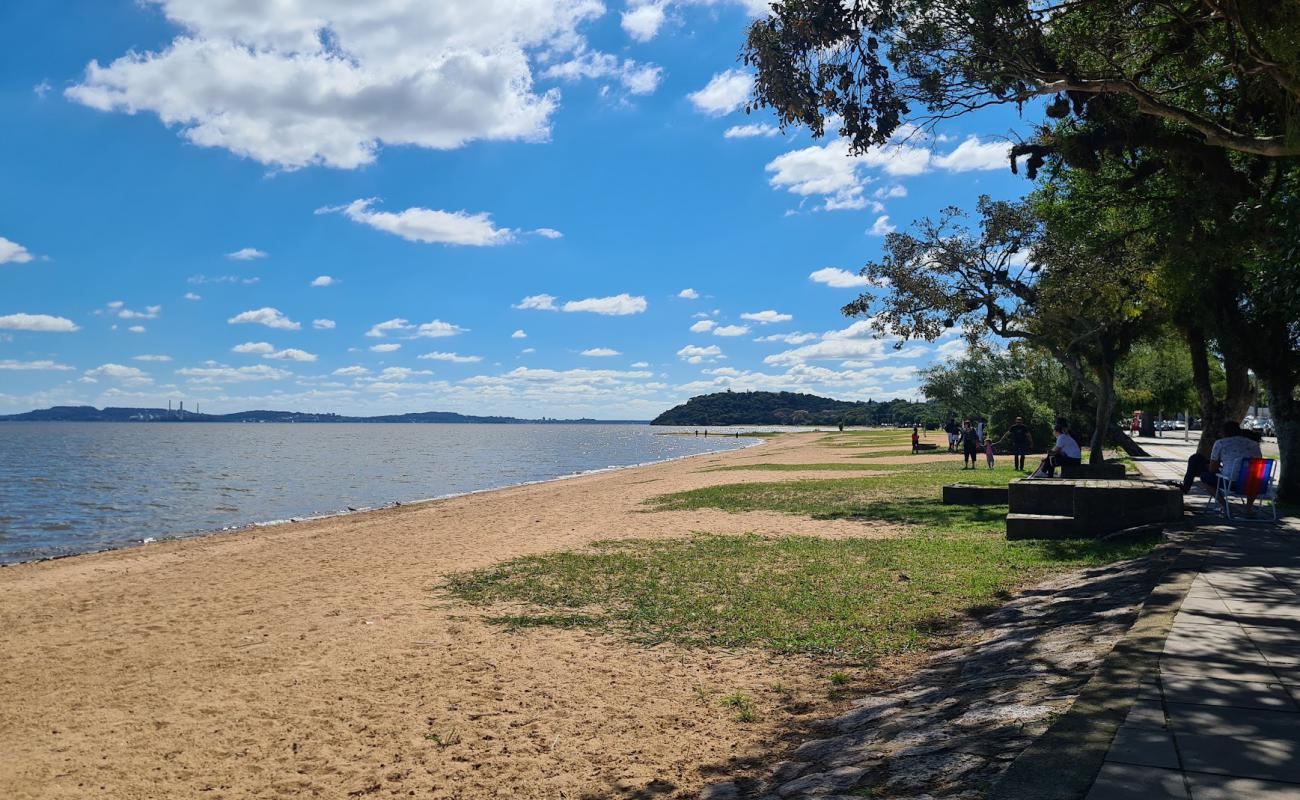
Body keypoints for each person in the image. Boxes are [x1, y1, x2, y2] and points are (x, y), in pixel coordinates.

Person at [1181, 420, 1263, 513]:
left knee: (1199, 467)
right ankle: (1249, 508)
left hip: (1230, 482)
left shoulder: (1221, 443)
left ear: (1224, 432)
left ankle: (1225, 505)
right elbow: (1258, 463)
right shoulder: (1254, 444)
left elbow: (1212, 470)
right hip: (1253, 483)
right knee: (1197, 459)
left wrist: (1215, 466)